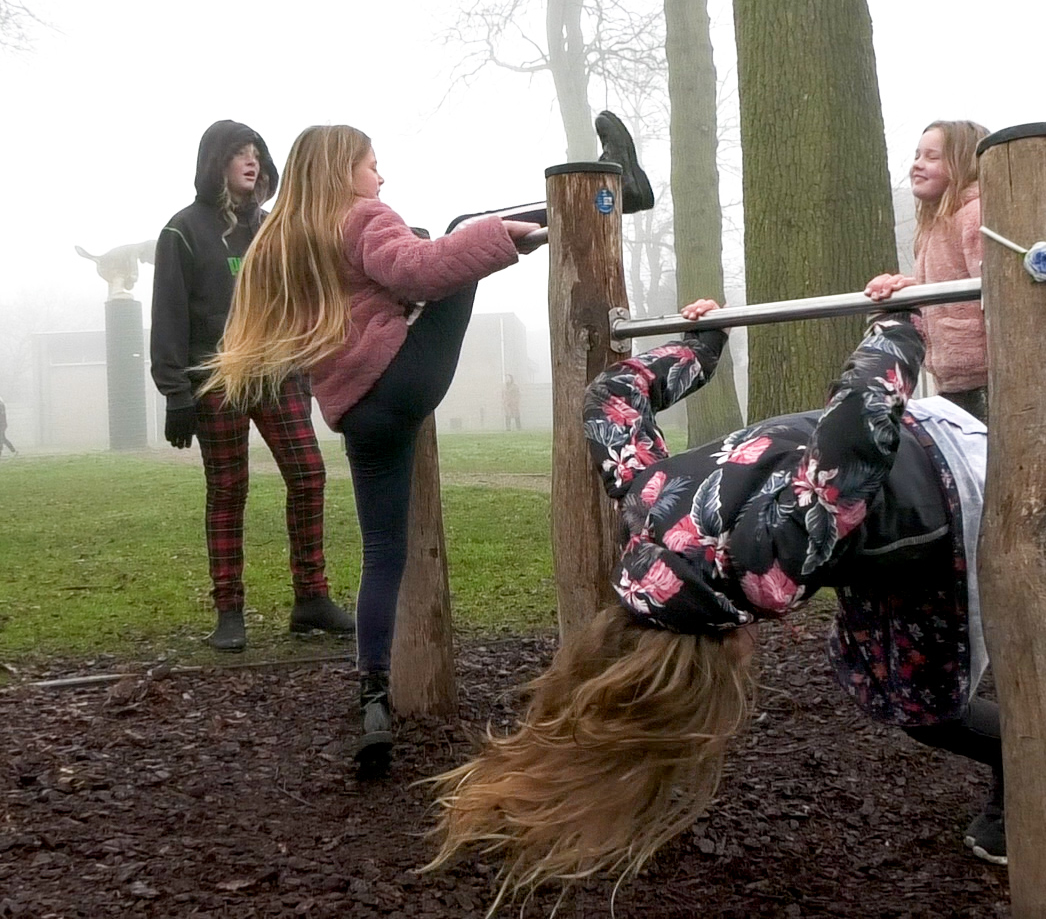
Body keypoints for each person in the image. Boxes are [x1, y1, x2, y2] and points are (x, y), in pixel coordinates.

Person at [427, 303, 1004, 904]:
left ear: (718, 655)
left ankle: (1025, 766)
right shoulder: (645, 503)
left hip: (954, 480)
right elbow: (613, 396)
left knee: (923, 700)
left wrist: (899, 323)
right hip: (900, 453)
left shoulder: (768, 574)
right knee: (869, 653)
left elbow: (857, 428)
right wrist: (701, 343)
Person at [206, 124, 543, 773]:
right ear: (344, 171)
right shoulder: (360, 216)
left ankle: (373, 702)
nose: (381, 178)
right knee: (465, 231)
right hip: (403, 379)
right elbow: (418, 272)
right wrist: (500, 238)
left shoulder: (285, 240)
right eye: (372, 165)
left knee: (382, 553)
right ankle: (594, 204)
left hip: (357, 412)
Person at [151, 119, 353, 653]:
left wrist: (305, 363)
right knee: (228, 490)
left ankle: (311, 598)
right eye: (239, 152)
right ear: (214, 162)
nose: (252, 161)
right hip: (216, 377)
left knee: (309, 475)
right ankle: (229, 610)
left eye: (256, 152)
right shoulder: (182, 231)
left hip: (278, 372)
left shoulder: (272, 228)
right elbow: (168, 315)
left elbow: (299, 298)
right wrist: (174, 393)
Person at [865, 120, 991, 421]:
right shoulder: (937, 224)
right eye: (917, 155)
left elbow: (997, 290)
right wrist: (905, 288)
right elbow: (949, 280)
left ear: (963, 165)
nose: (917, 165)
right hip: (954, 379)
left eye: (932, 157)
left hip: (988, 378)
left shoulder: (976, 216)